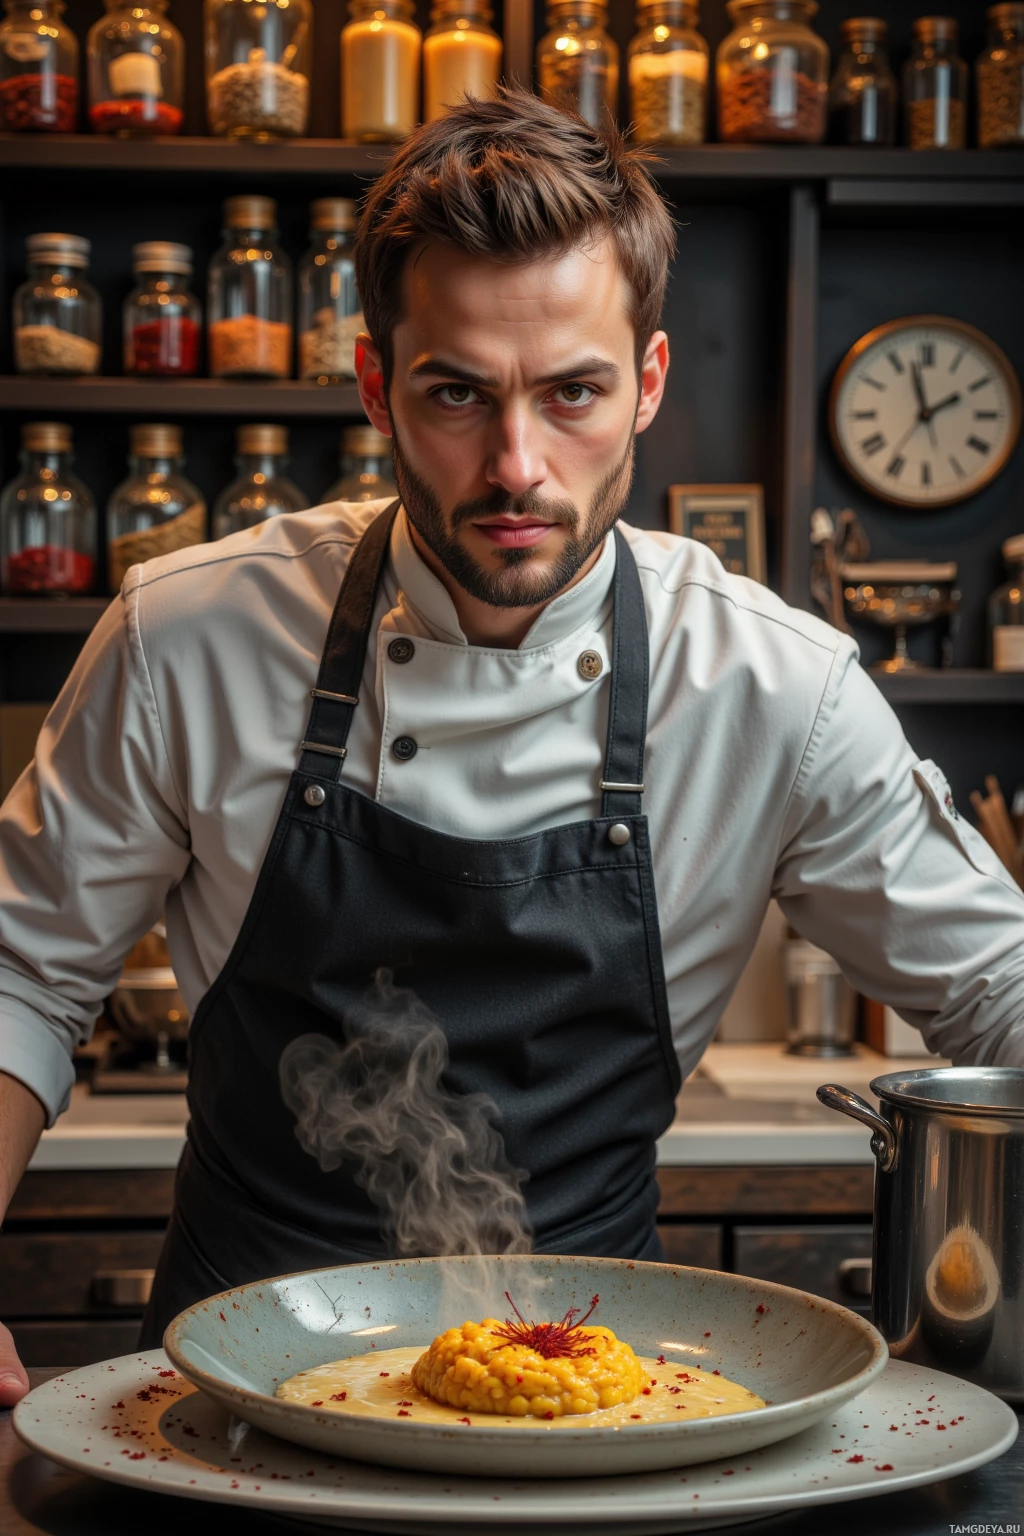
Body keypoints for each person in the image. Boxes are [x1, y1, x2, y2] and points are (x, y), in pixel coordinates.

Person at [1, 90, 1022, 1405]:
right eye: (456, 394)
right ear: (376, 384)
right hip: (230, 1403)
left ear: (649, 382)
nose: (517, 465)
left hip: (610, 1401)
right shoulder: (184, 637)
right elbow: (24, 977)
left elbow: (997, 988)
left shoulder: (775, 687)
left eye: (574, 392)